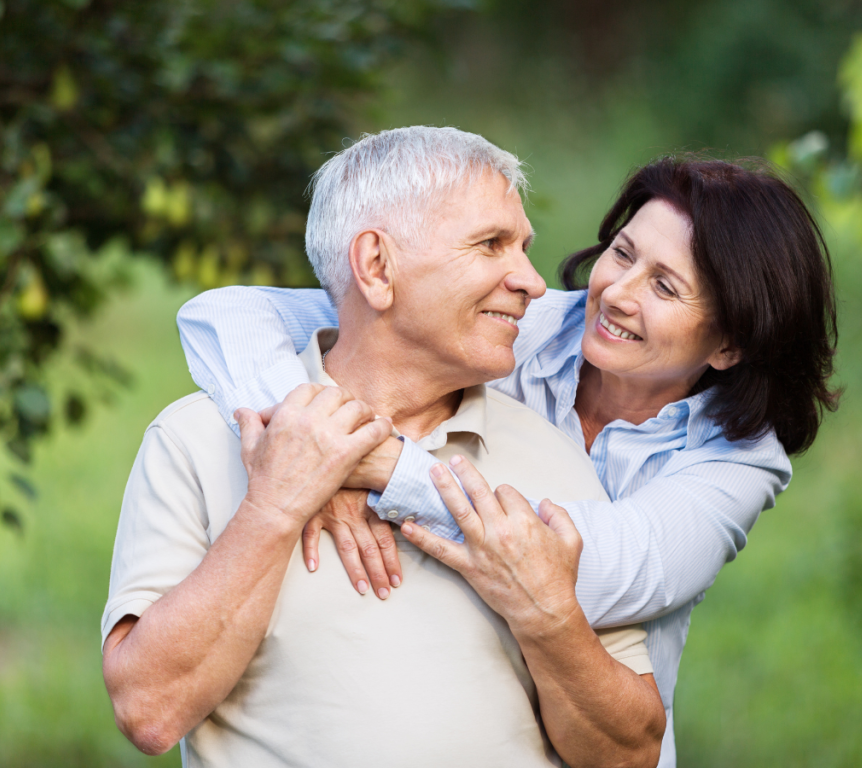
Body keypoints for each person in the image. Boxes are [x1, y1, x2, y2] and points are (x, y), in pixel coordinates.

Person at [176, 148, 840, 767]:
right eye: (623, 252)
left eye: (664, 287)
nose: (617, 292)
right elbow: (226, 317)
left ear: (727, 344)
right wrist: (314, 438)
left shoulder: (740, 462)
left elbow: (582, 565)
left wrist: (375, 464)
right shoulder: (517, 325)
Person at [102, 126, 666, 768]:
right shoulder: (196, 440)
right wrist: (275, 509)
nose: (535, 283)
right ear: (375, 266)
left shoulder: (553, 457)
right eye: (490, 245)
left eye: (525, 249)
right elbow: (149, 713)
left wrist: (548, 617)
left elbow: (631, 755)